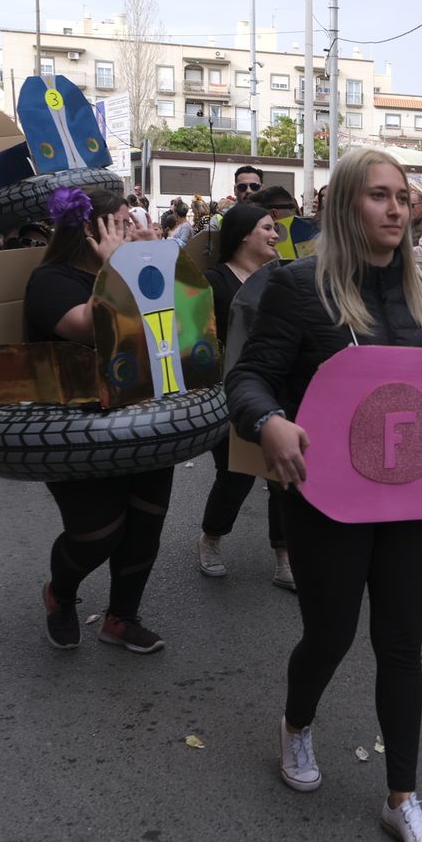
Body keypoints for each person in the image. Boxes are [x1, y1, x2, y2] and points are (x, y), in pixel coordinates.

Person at [225, 149, 422, 841]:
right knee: (330, 634)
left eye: (403, 197)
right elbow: (247, 381)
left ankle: (401, 797)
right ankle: (297, 723)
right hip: (325, 498)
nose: (396, 208)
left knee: (402, 644)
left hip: (414, 500)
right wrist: (270, 422)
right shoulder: (298, 287)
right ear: (348, 205)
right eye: (379, 196)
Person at [28, 188, 172, 654]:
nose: (133, 228)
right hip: (75, 428)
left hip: (141, 415)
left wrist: (153, 258)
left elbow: (175, 323)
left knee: (145, 522)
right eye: (123, 222)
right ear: (91, 231)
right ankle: (60, 594)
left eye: (134, 222)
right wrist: (118, 267)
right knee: (98, 532)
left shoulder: (128, 269)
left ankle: (121, 618)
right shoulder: (50, 280)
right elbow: (89, 326)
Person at [190, 203, 295, 588]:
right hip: (228, 393)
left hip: (279, 389)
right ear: (243, 234)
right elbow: (195, 339)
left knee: (283, 475)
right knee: (235, 475)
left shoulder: (285, 277)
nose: (275, 235)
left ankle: (284, 556)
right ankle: (211, 538)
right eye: (267, 228)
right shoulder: (212, 281)